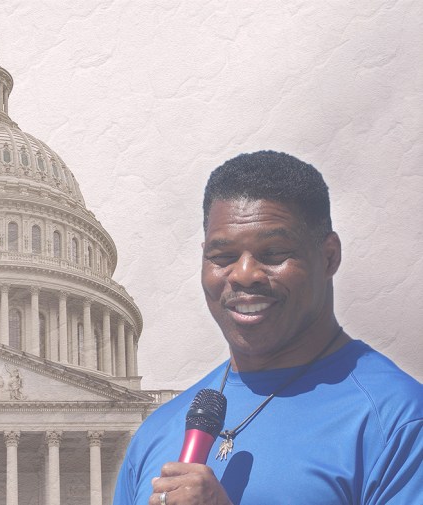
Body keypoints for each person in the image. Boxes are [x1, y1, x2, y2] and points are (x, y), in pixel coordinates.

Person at [113, 151, 422, 504]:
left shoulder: (399, 421)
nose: (244, 275)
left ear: (329, 257)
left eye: (274, 253)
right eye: (223, 257)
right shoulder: (158, 430)